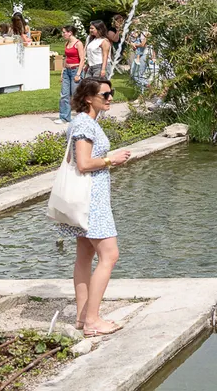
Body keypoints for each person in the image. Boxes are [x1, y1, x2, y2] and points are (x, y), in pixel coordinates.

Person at [57, 78, 132, 337]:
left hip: (88, 199)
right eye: (106, 94)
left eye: (112, 93)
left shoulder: (87, 122)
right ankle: (92, 320)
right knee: (109, 256)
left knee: (84, 257)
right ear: (89, 98)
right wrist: (112, 159)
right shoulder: (84, 124)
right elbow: (83, 163)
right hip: (92, 202)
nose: (111, 98)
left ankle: (82, 317)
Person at [59, 25, 85, 123]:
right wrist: (62, 71)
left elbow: (82, 59)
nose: (63, 34)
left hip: (75, 70)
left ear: (70, 32)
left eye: (64, 32)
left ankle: (81, 116)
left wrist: (78, 73)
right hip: (67, 71)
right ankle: (64, 117)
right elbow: (66, 58)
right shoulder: (67, 43)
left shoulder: (78, 44)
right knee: (64, 94)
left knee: (76, 94)